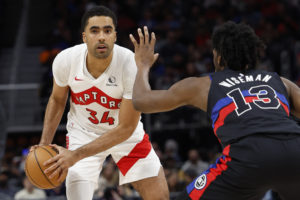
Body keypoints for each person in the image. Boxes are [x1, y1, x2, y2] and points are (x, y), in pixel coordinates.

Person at [130, 22, 300, 200]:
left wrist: (142, 65)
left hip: (248, 155)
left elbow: (141, 101)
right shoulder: (279, 81)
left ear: (219, 58)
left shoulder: (204, 84)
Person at [31, 6, 169, 200]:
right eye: (94, 31)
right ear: (84, 37)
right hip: (83, 134)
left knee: (159, 197)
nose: (101, 36)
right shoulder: (66, 60)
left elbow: (127, 128)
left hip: (125, 137)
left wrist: (75, 155)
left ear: (114, 36)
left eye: (107, 30)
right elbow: (57, 99)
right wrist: (44, 143)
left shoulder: (130, 64)